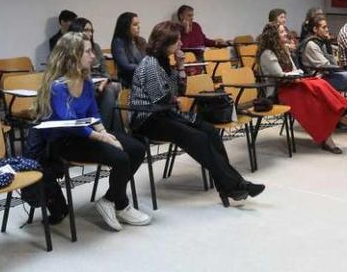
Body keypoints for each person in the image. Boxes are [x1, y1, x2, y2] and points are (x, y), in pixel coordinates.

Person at [129, 21, 263, 204]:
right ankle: (236, 184)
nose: (181, 44)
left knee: (209, 130)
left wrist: (181, 66)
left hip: (165, 114)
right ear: (165, 42)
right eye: (177, 41)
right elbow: (160, 99)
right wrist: (172, 98)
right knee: (197, 137)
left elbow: (180, 91)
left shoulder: (164, 61)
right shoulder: (150, 64)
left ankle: (228, 186)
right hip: (147, 118)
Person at [30, 32, 150, 231]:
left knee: (136, 148)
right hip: (65, 141)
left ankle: (110, 200)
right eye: (87, 52)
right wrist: (102, 137)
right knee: (120, 158)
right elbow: (70, 123)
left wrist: (105, 132)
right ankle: (121, 204)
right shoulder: (58, 86)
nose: (93, 56)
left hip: (86, 134)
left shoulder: (85, 81)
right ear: (72, 56)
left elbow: (93, 113)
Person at [258, 23, 347, 154]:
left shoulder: (283, 49)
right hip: (279, 91)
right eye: (281, 32)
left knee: (320, 83)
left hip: (292, 84)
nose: (285, 34)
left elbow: (292, 69)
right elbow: (279, 76)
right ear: (273, 36)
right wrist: (295, 75)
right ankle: (331, 132)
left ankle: (341, 115)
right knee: (314, 99)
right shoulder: (267, 53)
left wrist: (296, 73)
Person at [298, 16, 347, 120]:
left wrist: (328, 44)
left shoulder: (321, 42)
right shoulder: (312, 44)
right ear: (315, 29)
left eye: (327, 27)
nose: (327, 30)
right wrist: (337, 64)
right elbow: (326, 65)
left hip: (329, 75)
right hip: (321, 79)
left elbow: (331, 63)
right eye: (324, 27)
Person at [69, 17, 121, 125]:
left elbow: (104, 70)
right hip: (86, 84)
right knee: (111, 93)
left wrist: (105, 81)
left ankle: (111, 134)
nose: (90, 33)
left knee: (112, 90)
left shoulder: (95, 47)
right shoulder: (73, 52)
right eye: (86, 30)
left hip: (101, 82)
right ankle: (105, 130)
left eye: (91, 30)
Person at [111, 12, 146, 88]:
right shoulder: (118, 42)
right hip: (129, 78)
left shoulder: (142, 41)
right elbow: (125, 66)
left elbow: (148, 59)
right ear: (126, 27)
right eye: (135, 24)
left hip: (144, 76)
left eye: (138, 24)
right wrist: (146, 68)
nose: (139, 27)